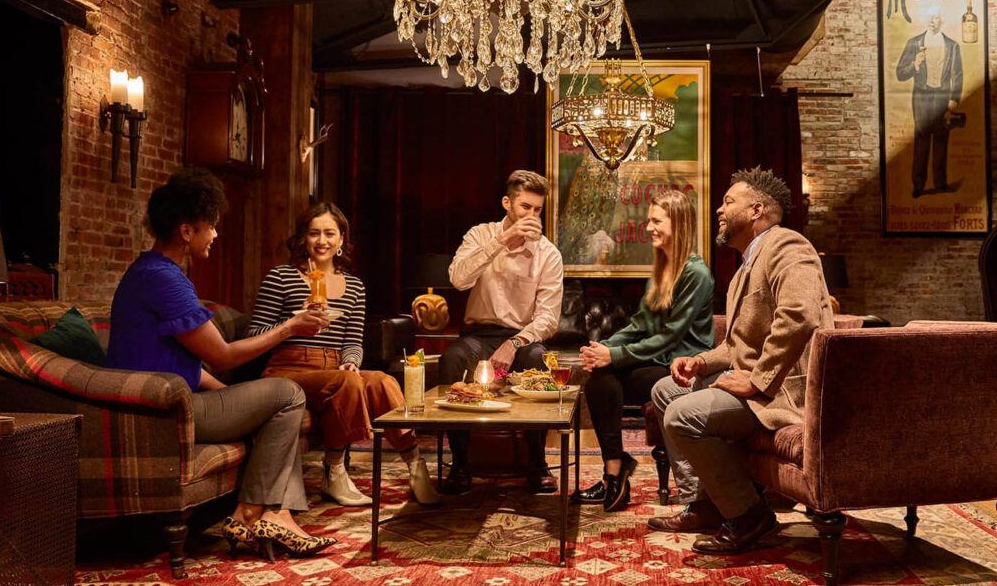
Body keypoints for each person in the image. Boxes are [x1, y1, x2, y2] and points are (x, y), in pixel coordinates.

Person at [107, 169, 335, 561]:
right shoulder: (164, 280)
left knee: (277, 406)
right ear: (186, 231)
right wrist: (290, 327)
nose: (215, 234)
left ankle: (275, 514)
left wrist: (231, 396)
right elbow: (223, 355)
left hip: (172, 400)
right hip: (165, 413)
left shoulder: (152, 272)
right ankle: (252, 514)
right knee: (288, 393)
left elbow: (183, 364)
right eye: (211, 225)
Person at [648, 166, 834, 555]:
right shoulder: (744, 266)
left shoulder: (788, 246)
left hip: (781, 393)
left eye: (728, 201)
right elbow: (736, 345)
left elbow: (800, 315)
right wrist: (699, 362)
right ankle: (706, 503)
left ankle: (750, 517)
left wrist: (757, 380)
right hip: (756, 384)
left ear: (757, 210)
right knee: (666, 390)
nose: (719, 209)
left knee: (682, 416)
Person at [248, 202, 440, 507]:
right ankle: (334, 472)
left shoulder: (354, 287)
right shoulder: (280, 277)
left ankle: (416, 467)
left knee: (381, 381)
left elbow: (353, 340)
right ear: (303, 238)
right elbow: (255, 334)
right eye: (314, 233)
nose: (321, 241)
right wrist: (291, 325)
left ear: (340, 240)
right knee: (345, 383)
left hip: (335, 368)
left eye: (329, 234)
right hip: (288, 369)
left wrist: (352, 361)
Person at [573, 189, 714, 512]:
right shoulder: (661, 269)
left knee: (607, 370)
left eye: (656, 221)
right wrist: (602, 349)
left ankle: (616, 473)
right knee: (599, 376)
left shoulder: (697, 273)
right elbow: (639, 325)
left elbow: (669, 336)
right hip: (658, 359)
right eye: (648, 220)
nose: (649, 227)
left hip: (681, 367)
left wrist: (616, 356)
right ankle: (614, 470)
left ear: (677, 223)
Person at [439, 170, 564, 494]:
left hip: (521, 337)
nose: (532, 215)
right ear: (507, 203)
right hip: (478, 333)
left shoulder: (548, 253)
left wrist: (515, 342)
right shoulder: (481, 235)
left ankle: (537, 462)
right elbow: (458, 280)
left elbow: (548, 318)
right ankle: (460, 464)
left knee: (537, 358)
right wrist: (502, 242)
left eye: (538, 210)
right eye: (525, 207)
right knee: (453, 357)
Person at [896, 5, 964, 198]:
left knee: (941, 140)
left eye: (935, 18)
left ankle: (940, 183)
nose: (931, 21)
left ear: (941, 21)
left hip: (942, 97)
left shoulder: (952, 46)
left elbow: (957, 75)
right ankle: (918, 185)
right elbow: (900, 73)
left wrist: (953, 100)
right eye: (928, 17)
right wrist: (915, 64)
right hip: (921, 97)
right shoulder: (913, 43)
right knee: (921, 140)